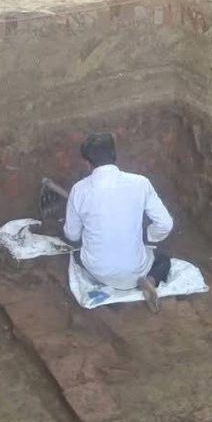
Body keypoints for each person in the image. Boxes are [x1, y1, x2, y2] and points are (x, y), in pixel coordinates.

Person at [63, 133, 174, 313]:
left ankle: (108, 291)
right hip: (136, 270)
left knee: (77, 255)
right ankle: (151, 280)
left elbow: (72, 235)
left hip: (98, 271)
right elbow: (165, 224)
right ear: (114, 154)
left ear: (87, 163)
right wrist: (149, 235)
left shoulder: (79, 190)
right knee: (163, 260)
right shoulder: (141, 183)